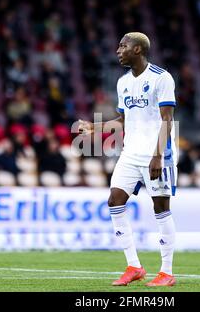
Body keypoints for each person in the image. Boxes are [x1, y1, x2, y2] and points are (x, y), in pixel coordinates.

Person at [78, 32, 177, 286]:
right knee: (114, 200)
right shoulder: (123, 82)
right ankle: (134, 266)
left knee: (160, 208)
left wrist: (157, 156)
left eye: (123, 45)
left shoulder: (161, 78)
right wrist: (95, 127)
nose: (118, 49)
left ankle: (167, 272)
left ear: (138, 49)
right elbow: (124, 120)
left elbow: (167, 119)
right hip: (131, 153)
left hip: (157, 154)